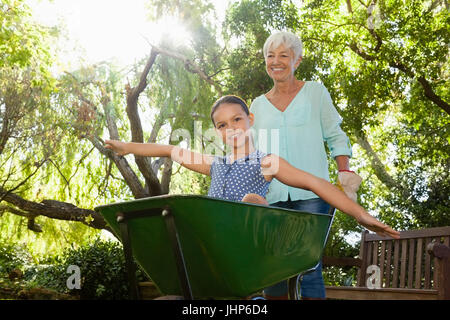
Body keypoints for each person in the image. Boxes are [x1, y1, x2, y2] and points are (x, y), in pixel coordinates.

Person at [105, 95, 398, 242]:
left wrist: (361, 215)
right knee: (178, 216)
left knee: (250, 200)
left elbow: (316, 184)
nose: (231, 128)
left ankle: (256, 211)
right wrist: (126, 147)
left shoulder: (266, 162)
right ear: (217, 131)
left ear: (250, 120)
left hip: (249, 233)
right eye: (222, 125)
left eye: (237, 120)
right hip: (217, 233)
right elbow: (168, 150)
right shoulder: (213, 164)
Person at [250, 31, 363, 299]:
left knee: (309, 266)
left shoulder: (315, 92)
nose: (276, 61)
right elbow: (253, 153)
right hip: (272, 196)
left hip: (314, 195)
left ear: (297, 60)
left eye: (283, 55)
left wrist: (344, 170)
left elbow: (335, 134)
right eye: (270, 56)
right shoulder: (256, 105)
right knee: (273, 268)